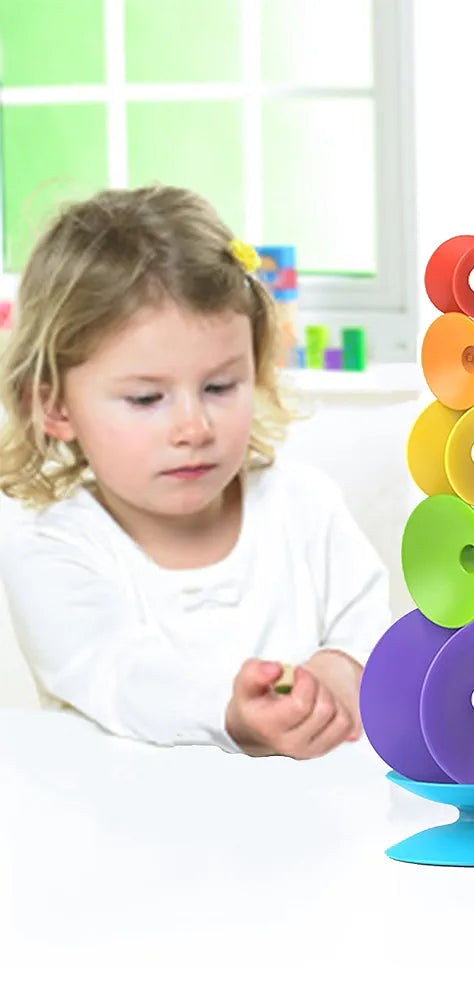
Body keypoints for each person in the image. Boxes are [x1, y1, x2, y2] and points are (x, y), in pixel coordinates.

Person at [0, 185, 389, 759]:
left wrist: (339, 672)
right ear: (56, 406)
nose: (193, 427)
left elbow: (368, 626)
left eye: (218, 387)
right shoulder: (54, 546)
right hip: (123, 834)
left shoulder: (302, 505)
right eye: (145, 399)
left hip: (316, 826)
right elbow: (118, 676)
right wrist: (231, 712)